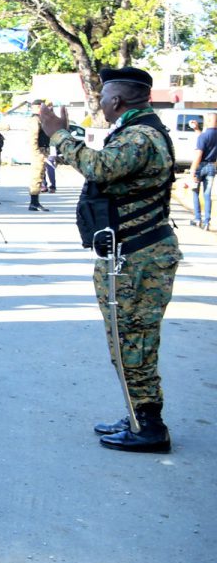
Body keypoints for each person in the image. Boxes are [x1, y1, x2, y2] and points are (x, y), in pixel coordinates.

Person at [42, 69, 180, 453]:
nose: (101, 103)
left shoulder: (141, 136)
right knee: (126, 340)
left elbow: (99, 167)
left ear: (116, 101)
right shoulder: (135, 130)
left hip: (139, 257)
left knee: (133, 341)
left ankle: (149, 426)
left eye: (104, 97)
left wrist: (58, 133)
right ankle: (138, 414)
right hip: (129, 253)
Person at [191, 112, 216, 229]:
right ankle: (207, 222)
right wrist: (196, 129)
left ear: (208, 121)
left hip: (200, 166)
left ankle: (197, 219)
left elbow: (199, 155)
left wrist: (193, 170)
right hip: (212, 166)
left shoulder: (203, 136)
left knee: (195, 191)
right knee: (207, 195)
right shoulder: (206, 135)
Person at [26, 99, 51, 211]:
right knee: (36, 176)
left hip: (43, 150)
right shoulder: (35, 120)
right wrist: (37, 153)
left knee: (40, 175)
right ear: (37, 107)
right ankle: (34, 203)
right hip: (38, 151)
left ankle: (35, 202)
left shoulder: (41, 119)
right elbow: (33, 138)